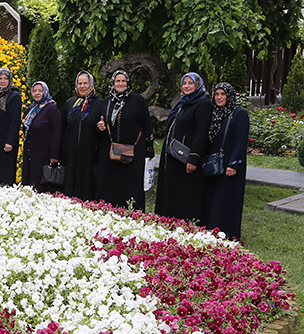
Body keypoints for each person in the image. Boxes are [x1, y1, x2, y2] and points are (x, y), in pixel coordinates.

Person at [155, 72, 213, 224]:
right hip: (174, 155)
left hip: (186, 157)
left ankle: (186, 223)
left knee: (185, 191)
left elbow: (202, 132)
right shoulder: (183, 103)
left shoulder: (203, 103)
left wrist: (194, 157)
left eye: (190, 83)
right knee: (173, 189)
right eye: (184, 83)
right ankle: (169, 220)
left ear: (198, 85)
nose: (186, 86)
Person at [95, 70, 153, 211]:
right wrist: (100, 127)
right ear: (113, 83)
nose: (120, 84)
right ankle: (111, 211)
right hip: (111, 151)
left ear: (128, 83)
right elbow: (100, 125)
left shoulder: (137, 101)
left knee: (131, 185)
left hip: (134, 151)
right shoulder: (106, 102)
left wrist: (149, 150)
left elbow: (147, 126)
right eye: (117, 81)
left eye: (123, 81)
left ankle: (133, 214)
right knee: (111, 183)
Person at [203, 82, 249, 240]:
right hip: (213, 165)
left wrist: (233, 163)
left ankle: (227, 233)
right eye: (217, 94)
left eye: (223, 94)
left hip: (229, 165)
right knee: (212, 199)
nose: (219, 97)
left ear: (229, 96)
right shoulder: (214, 113)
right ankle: (211, 230)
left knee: (226, 199)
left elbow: (240, 141)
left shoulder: (239, 114)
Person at [62, 71, 105, 200]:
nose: (82, 86)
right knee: (70, 186)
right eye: (79, 83)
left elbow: (103, 128)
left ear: (91, 85)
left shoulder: (100, 104)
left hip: (90, 154)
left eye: (85, 83)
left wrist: (101, 127)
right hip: (71, 154)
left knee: (87, 187)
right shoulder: (70, 103)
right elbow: (64, 128)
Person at [21, 81, 64, 191]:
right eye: (34, 91)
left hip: (44, 156)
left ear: (45, 92)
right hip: (30, 153)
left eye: (40, 91)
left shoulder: (52, 109)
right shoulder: (32, 109)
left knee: (40, 186)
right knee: (29, 185)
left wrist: (54, 155)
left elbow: (57, 133)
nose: (37, 93)